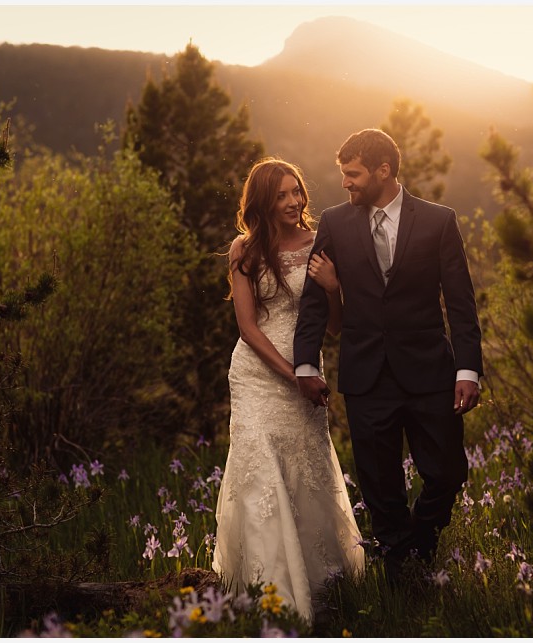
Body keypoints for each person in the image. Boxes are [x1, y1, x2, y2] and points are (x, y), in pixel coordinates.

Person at [293, 129, 483, 584]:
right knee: (380, 487)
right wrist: (304, 363)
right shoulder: (335, 223)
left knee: (448, 472)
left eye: (352, 174)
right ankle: (402, 579)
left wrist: (468, 368)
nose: (345, 184)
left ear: (383, 171)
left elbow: (460, 301)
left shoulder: (439, 221)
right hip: (366, 376)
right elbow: (315, 302)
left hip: (430, 372)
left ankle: (417, 544)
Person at [212, 158, 365, 622]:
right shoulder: (245, 249)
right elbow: (247, 327)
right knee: (258, 469)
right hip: (259, 374)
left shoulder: (321, 243)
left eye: (296, 191)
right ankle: (264, 589)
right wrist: (292, 373)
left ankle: (323, 587)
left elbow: (336, 327)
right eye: (280, 195)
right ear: (261, 201)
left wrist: (333, 287)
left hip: (307, 372)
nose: (293, 201)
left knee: (306, 469)